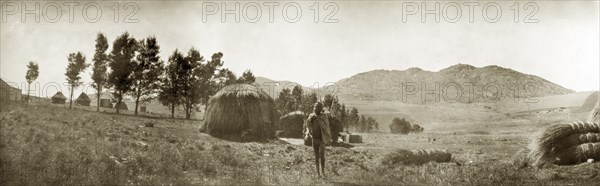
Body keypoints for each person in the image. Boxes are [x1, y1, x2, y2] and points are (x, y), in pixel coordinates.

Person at [305, 102, 331, 178]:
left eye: (318, 107)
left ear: (320, 109)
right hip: (314, 139)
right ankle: (318, 173)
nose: (316, 109)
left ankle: (323, 173)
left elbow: (326, 126)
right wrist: (310, 120)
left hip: (321, 139)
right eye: (315, 107)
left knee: (322, 156)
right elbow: (307, 124)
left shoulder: (323, 116)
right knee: (316, 156)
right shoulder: (311, 116)